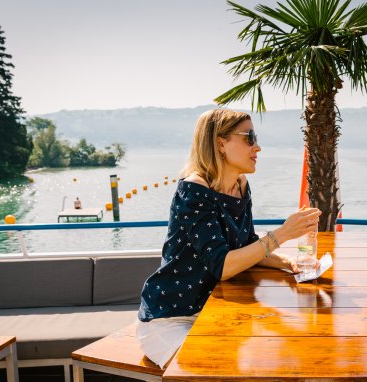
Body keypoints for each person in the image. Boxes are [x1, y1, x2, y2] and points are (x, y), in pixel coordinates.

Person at [136, 108, 321, 367]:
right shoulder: (193, 190)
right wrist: (282, 234)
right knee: (213, 372)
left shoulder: (240, 185)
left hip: (215, 313)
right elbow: (222, 265)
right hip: (172, 318)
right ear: (221, 143)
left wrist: (289, 264)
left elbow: (247, 246)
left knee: (280, 354)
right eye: (249, 137)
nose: (258, 147)